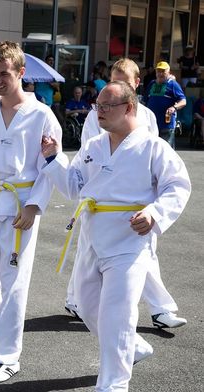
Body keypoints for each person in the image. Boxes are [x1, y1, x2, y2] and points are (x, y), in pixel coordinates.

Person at [40, 80, 191, 392]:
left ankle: (115, 387)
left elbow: (177, 187)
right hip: (93, 235)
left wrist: (154, 212)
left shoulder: (153, 147)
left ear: (130, 107)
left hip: (129, 239)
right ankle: (131, 346)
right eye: (98, 106)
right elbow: (74, 187)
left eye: (107, 106)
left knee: (118, 313)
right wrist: (52, 160)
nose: (100, 111)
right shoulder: (93, 145)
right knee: (87, 305)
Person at [0, 41, 61, 381]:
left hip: (20, 207)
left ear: (21, 72)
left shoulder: (42, 115)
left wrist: (34, 206)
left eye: (4, 73)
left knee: (13, 281)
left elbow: (49, 166)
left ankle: (8, 356)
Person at [67, 58, 187, 329]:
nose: (115, 85)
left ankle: (160, 309)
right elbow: (89, 152)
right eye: (112, 80)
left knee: (142, 260)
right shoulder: (97, 113)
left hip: (137, 207)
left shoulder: (146, 117)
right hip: (99, 202)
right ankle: (75, 299)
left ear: (135, 84)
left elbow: (152, 158)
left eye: (122, 81)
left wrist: (154, 208)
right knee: (89, 258)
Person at [143, 61, 186, 148]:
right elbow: (144, 101)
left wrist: (174, 107)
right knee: (151, 149)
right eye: (158, 71)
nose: (160, 74)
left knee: (166, 150)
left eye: (163, 71)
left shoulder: (173, 84)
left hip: (166, 124)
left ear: (168, 72)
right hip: (151, 123)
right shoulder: (152, 84)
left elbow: (183, 101)